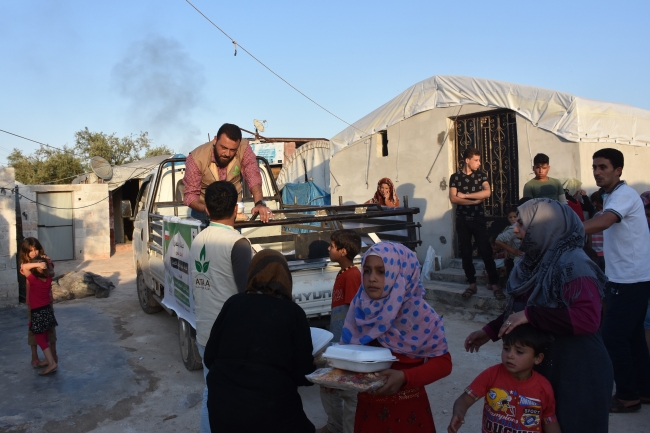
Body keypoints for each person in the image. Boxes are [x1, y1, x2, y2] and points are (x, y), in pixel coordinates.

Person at [465, 198, 612, 432]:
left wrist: (532, 315)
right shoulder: (532, 263)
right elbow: (520, 309)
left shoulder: (574, 265)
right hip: (548, 367)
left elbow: (587, 318)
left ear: (545, 226)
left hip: (579, 373)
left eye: (522, 224)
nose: (515, 229)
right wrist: (489, 331)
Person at [341, 242, 452, 433]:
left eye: (381, 272)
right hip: (368, 412)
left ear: (401, 274)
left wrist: (405, 377)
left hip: (409, 414)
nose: (372, 279)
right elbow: (349, 353)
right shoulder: (359, 308)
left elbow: (444, 363)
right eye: (367, 271)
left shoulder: (420, 314)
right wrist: (337, 375)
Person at [203, 250, 316, 433]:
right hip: (271, 411)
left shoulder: (233, 303)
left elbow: (210, 357)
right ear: (285, 277)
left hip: (222, 410)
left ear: (253, 272)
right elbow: (304, 374)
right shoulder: (292, 313)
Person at [583, 148, 650, 413]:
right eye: (595, 167)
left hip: (630, 280)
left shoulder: (623, 195)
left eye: (603, 167)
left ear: (618, 170)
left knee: (612, 337)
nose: (597, 172)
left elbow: (606, 221)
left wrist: (565, 228)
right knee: (632, 337)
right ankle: (643, 390)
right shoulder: (612, 195)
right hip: (626, 278)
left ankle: (627, 397)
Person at [190, 181, 253, 433]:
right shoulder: (237, 243)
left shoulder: (199, 239)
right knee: (240, 397)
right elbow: (247, 294)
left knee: (211, 393)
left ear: (206, 209)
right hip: (231, 338)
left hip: (205, 332)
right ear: (236, 209)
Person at [448, 324, 559, 433]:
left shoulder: (543, 387)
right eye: (506, 348)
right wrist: (458, 413)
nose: (510, 355)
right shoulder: (491, 375)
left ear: (538, 358)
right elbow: (464, 399)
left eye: (519, 352)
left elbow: (549, 420)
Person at [182, 123, 274, 224]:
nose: (227, 154)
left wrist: (259, 203)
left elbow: (253, 176)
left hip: (233, 210)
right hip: (203, 211)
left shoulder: (244, 148)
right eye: (224, 148)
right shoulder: (196, 158)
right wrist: (208, 210)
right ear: (215, 140)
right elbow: (190, 195)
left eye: (232, 150)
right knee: (205, 239)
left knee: (232, 239)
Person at [317, 230, 362, 433]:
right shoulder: (343, 273)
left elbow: (352, 314)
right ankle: (335, 425)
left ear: (343, 251)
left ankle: (345, 428)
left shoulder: (352, 275)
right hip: (338, 342)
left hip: (346, 344)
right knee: (330, 387)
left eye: (332, 245)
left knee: (346, 391)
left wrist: (344, 348)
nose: (329, 248)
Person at [449, 148, 501, 299]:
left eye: (479, 160)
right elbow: (453, 198)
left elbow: (487, 192)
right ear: (467, 160)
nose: (479, 163)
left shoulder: (481, 175)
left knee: (486, 251)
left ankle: (495, 283)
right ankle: (472, 283)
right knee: (465, 252)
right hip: (462, 220)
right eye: (476, 160)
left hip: (478, 219)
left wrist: (465, 195)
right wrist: (475, 200)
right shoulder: (455, 177)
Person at [20, 237, 57, 368]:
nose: (34, 253)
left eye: (36, 249)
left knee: (50, 328)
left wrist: (45, 263)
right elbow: (23, 267)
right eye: (30, 251)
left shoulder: (44, 260)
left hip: (47, 301)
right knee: (33, 330)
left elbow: (52, 272)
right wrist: (37, 264)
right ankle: (34, 354)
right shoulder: (28, 264)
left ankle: (53, 352)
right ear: (25, 252)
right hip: (33, 303)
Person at [494, 207, 523, 277]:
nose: (513, 219)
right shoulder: (510, 229)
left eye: (515, 217)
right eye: (510, 217)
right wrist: (509, 251)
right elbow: (501, 241)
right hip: (512, 255)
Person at [588, 191, 605, 271]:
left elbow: (590, 236)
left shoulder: (596, 216)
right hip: (607, 254)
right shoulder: (613, 217)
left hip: (596, 253)